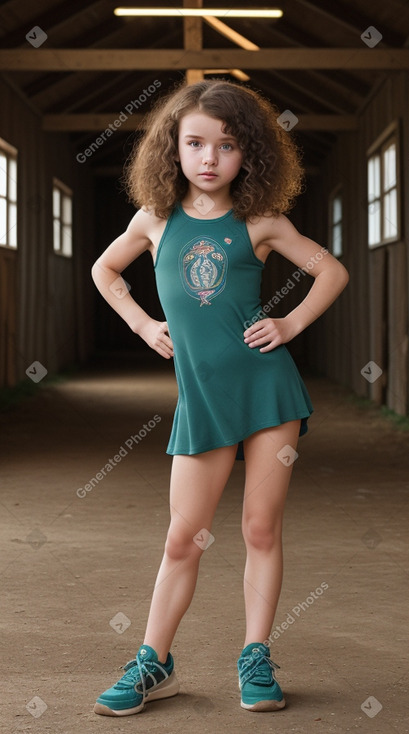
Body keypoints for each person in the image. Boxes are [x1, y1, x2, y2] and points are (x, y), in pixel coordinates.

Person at [91, 79, 349, 717]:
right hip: (201, 399)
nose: (209, 158)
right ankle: (154, 662)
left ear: (249, 155)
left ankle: (255, 655)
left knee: (260, 528)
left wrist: (289, 324)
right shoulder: (153, 221)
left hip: (268, 392)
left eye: (227, 146)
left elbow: (331, 270)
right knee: (185, 537)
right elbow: (104, 270)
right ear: (171, 149)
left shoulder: (260, 221)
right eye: (196, 143)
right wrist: (143, 325)